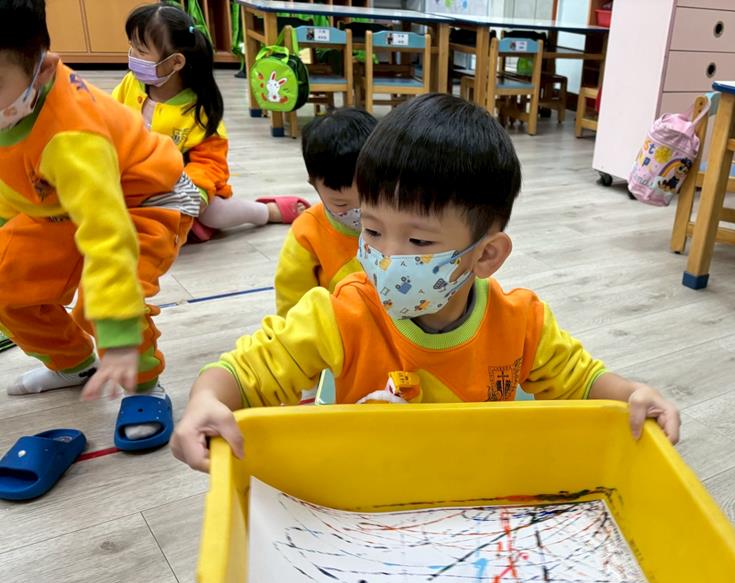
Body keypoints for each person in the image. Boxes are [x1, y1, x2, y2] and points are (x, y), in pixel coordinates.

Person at [171, 94, 680, 471]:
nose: (387, 258)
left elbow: (580, 381)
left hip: (473, 495)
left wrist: (632, 392)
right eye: (372, 230)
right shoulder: (341, 313)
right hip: (370, 494)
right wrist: (206, 399)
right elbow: (249, 370)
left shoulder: (521, 323)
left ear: (486, 255)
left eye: (417, 242)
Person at [0, 0, 199, 450]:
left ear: (41, 69)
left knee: (104, 302)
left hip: (145, 199)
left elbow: (108, 237)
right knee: (6, 283)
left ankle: (144, 384)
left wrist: (120, 337)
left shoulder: (71, 138)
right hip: (59, 203)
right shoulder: (12, 105)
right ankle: (73, 364)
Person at [113, 2, 307, 242]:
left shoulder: (200, 111)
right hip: (133, 178)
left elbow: (209, 163)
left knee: (213, 214)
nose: (131, 55)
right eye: (131, 46)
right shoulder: (130, 84)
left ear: (176, 62)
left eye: (141, 51)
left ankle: (266, 211)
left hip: (178, 186)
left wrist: (196, 194)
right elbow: (108, 120)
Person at [274, 107, 377, 317]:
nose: (360, 211)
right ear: (314, 187)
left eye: (371, 198)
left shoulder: (402, 217)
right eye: (341, 203)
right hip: (337, 327)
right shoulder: (307, 233)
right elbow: (292, 299)